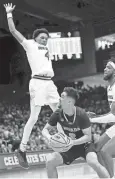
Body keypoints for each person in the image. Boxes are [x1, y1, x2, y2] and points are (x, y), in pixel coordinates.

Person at [4, 3, 60, 169]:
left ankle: (69, 139)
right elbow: (13, 31)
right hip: (37, 83)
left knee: (61, 113)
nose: (44, 39)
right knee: (34, 117)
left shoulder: (47, 50)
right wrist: (8, 14)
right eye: (42, 37)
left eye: (46, 37)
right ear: (35, 38)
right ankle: (22, 149)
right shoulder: (30, 45)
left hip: (50, 83)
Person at [42, 87, 110, 178]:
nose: (59, 98)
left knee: (93, 162)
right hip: (69, 146)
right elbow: (44, 130)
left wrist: (72, 142)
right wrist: (50, 137)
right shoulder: (57, 114)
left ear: (69, 102)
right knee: (50, 161)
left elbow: (88, 137)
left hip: (85, 145)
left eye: (62, 97)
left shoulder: (81, 114)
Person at [90, 58, 115, 178]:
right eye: (105, 66)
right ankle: (106, 177)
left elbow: (113, 115)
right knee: (96, 148)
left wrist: (93, 119)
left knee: (105, 151)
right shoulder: (109, 87)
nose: (105, 69)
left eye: (108, 67)